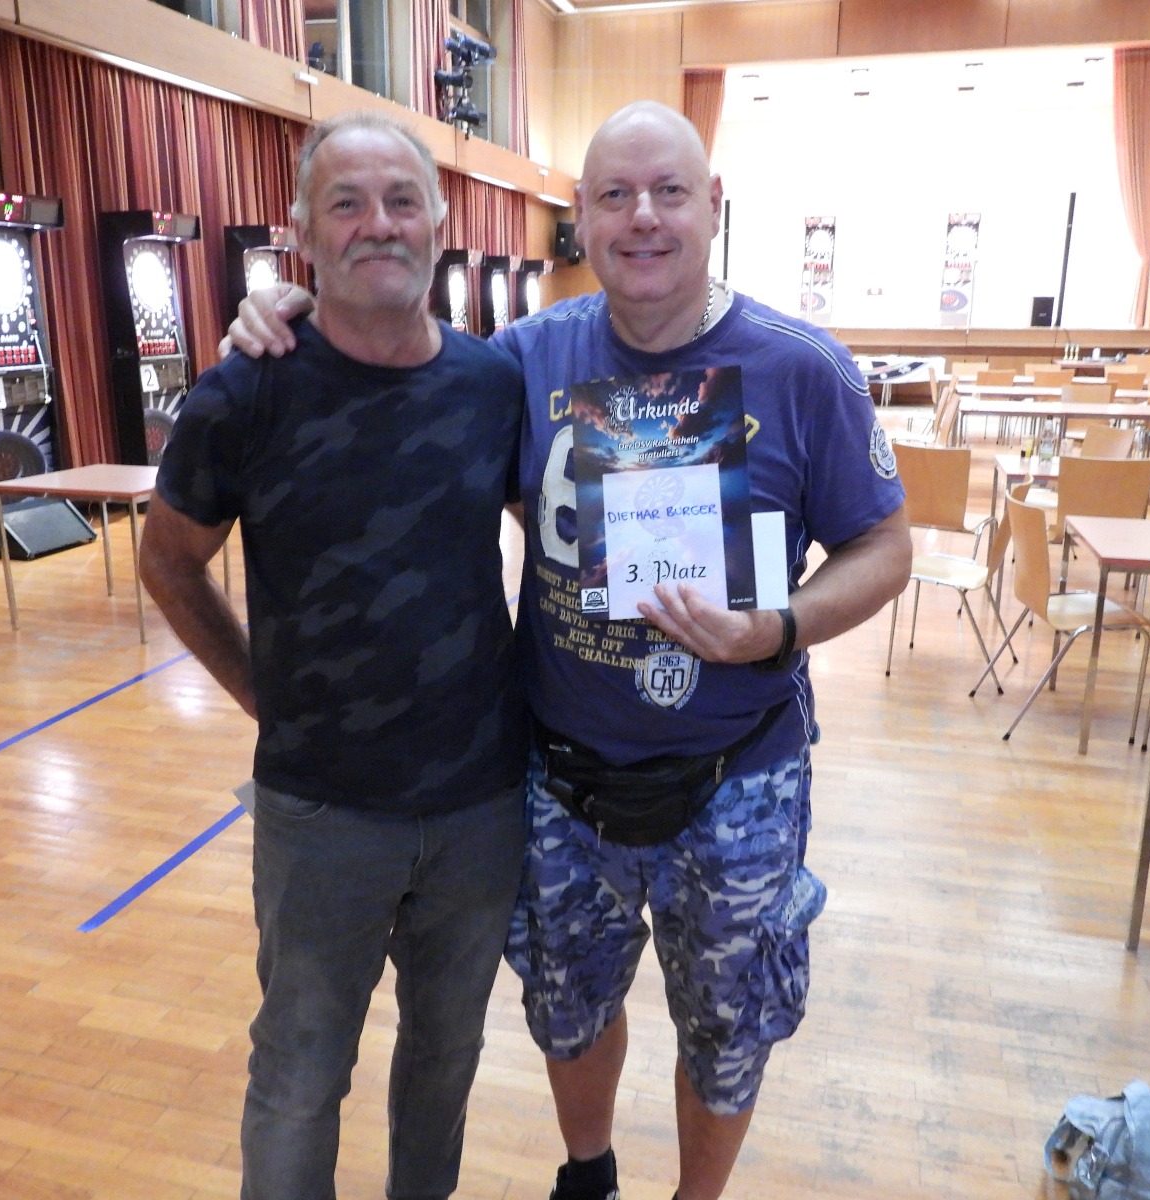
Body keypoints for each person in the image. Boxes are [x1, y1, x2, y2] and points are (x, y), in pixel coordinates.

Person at [226, 101, 912, 1200]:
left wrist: (777, 628)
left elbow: (883, 545)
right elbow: (401, 369)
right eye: (614, 196)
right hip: (559, 778)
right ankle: (587, 1178)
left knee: (728, 1027)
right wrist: (292, 314)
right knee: (569, 1006)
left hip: (738, 773)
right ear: (579, 219)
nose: (643, 218)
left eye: (669, 192)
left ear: (712, 206)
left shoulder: (800, 367)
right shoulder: (522, 362)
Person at [140, 110, 528, 1200]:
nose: (378, 225)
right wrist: (264, 697)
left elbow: (559, 534)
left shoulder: (494, 386)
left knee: (446, 1061)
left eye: (402, 201)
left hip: (479, 805)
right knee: (300, 1075)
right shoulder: (245, 392)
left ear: (439, 222)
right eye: (346, 204)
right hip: (320, 814)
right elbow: (169, 564)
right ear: (304, 234)